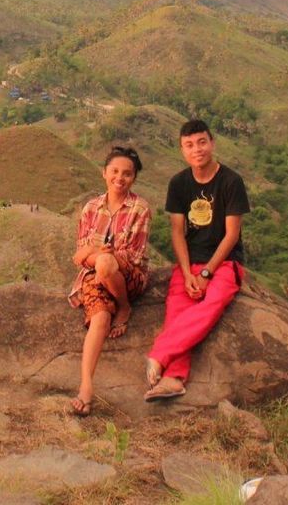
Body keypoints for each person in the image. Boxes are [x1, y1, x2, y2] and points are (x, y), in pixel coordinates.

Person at [144, 119, 250, 401]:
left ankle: (160, 354)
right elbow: (177, 232)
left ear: (212, 143)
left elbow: (231, 235)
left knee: (211, 305)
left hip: (225, 262)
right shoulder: (179, 184)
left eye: (202, 142)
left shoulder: (231, 181)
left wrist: (206, 274)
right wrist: (188, 272)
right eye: (189, 145)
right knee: (177, 308)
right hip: (189, 262)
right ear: (182, 150)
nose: (197, 149)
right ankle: (174, 378)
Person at [68, 145, 151, 416]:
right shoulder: (91, 208)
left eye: (127, 173)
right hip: (97, 273)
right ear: (104, 173)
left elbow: (134, 255)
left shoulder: (139, 208)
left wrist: (102, 256)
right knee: (100, 318)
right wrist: (98, 258)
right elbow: (79, 254)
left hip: (130, 277)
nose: (120, 177)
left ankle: (125, 306)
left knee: (105, 263)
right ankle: (86, 386)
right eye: (114, 171)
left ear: (134, 178)